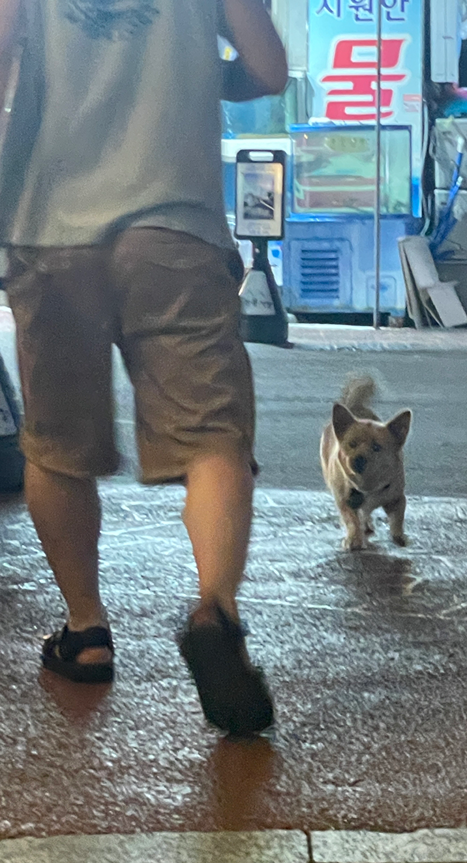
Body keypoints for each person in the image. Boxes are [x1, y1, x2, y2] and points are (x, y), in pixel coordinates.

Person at [0, 0, 288, 737]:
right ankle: (214, 612)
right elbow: (267, 70)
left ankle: (86, 632)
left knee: (58, 444)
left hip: (48, 225)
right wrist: (199, 80)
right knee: (211, 435)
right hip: (176, 222)